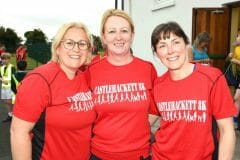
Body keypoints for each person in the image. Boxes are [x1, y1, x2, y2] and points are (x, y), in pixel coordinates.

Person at [150, 21, 237, 160]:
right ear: (156, 53)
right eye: (162, 46)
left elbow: (227, 130)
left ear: (186, 44)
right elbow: (148, 118)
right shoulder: (158, 84)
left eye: (176, 42)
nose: (170, 50)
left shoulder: (212, 78)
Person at [10, 21, 96, 160]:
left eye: (82, 44)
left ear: (88, 50)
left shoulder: (85, 78)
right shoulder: (39, 80)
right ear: (57, 48)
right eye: (69, 43)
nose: (76, 49)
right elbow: (18, 132)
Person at [86, 9, 157, 160]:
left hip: (140, 154)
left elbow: (155, 108)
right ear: (103, 37)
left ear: (132, 36)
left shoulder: (147, 69)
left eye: (124, 31)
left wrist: (136, 128)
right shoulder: (91, 71)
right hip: (100, 155)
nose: (118, 37)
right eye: (112, 31)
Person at [0, 52, 16, 122]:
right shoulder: (1, 68)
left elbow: (14, 77)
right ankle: (10, 115)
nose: (4, 60)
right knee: (6, 102)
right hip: (4, 87)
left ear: (9, 59)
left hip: (10, 87)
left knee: (10, 102)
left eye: (5, 59)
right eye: (3, 59)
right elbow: (0, 76)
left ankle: (15, 115)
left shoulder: (12, 67)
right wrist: (1, 80)